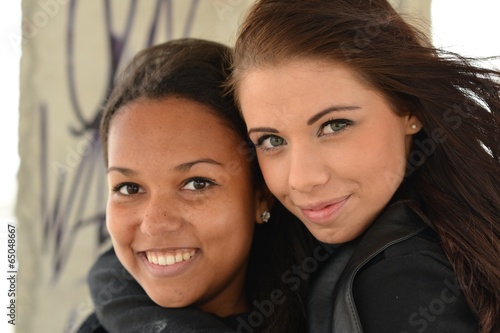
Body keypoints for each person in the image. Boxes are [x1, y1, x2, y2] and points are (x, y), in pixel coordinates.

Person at [228, 0, 500, 332]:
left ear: (409, 109)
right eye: (272, 140)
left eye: (334, 126)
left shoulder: (401, 281)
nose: (302, 179)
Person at [76, 38, 325, 333]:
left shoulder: (344, 311)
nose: (155, 224)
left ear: (262, 194)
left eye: (196, 183)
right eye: (129, 188)